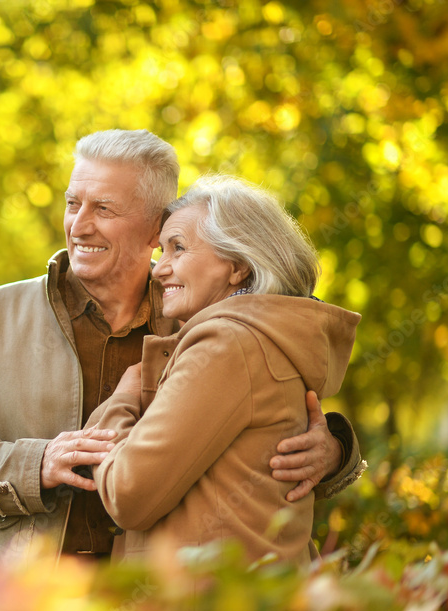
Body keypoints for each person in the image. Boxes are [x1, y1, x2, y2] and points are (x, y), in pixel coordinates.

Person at [0, 130, 365, 587]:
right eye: (72, 204)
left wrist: (335, 453)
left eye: (103, 209)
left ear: (155, 229)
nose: (79, 225)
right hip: (29, 600)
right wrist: (36, 464)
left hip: (154, 609)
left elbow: (271, 426)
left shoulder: (203, 316)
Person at [88, 174, 360, 564]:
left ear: (236, 267)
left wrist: (121, 402)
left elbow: (128, 495)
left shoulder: (227, 345)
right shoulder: (263, 335)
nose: (158, 269)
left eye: (177, 249)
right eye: (161, 251)